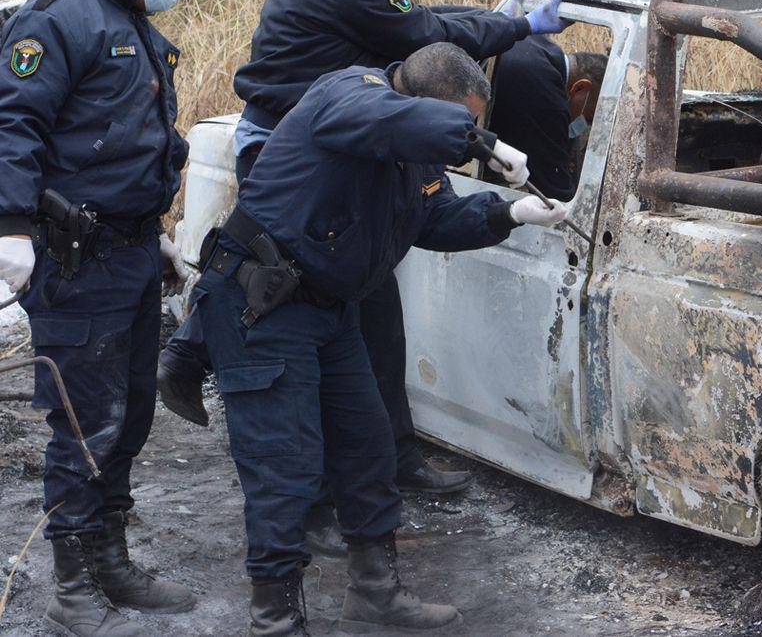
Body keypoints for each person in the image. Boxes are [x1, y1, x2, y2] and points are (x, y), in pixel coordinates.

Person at [156, 0, 568, 501]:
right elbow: (424, 33)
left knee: (364, 307)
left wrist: (507, 211)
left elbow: (419, 19)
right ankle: (311, 481)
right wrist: (512, 31)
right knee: (288, 300)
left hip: (342, 140)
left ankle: (383, 455)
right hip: (300, 150)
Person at [192, 43, 568, 635]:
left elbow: (436, 219)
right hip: (263, 308)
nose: (466, 134)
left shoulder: (413, 150)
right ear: (422, 101)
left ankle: (374, 592)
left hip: (332, 309)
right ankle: (275, 618)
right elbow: (394, 120)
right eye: (461, 121)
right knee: (284, 468)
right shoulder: (350, 94)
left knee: (370, 448)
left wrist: (510, 214)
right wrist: (482, 143)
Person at [0, 0, 202, 637]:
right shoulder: (60, 19)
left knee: (130, 416)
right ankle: (72, 581)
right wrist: (12, 227)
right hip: (74, 259)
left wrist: (153, 232)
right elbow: (13, 123)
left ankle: (110, 555)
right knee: (83, 423)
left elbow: (126, 140)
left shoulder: (132, 26)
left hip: (129, 251)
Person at [481, 12, 607, 200]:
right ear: (580, 87)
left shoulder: (539, 45)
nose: (583, 125)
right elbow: (554, 190)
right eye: (589, 117)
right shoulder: (546, 98)